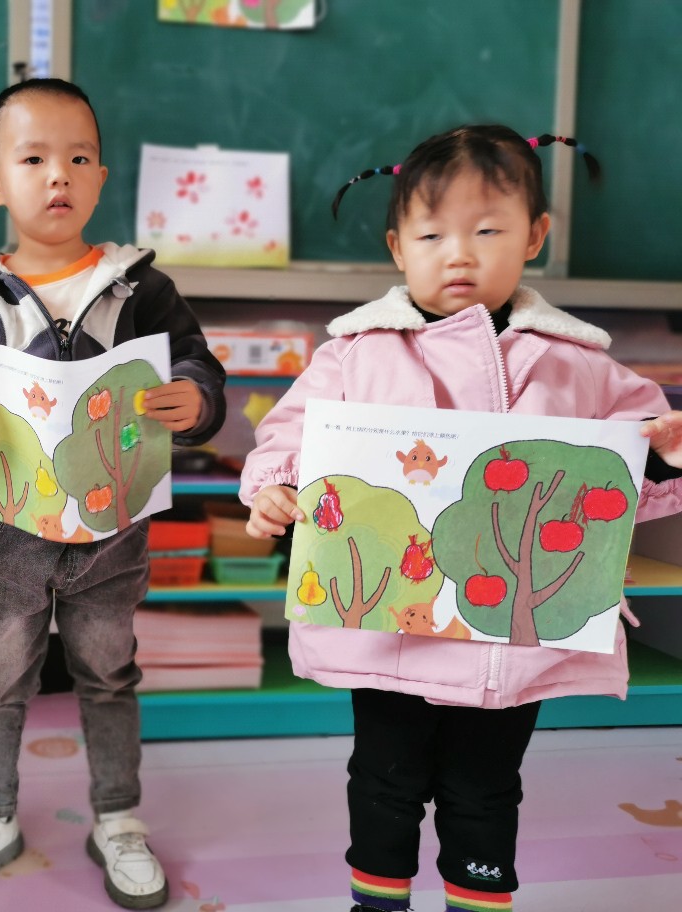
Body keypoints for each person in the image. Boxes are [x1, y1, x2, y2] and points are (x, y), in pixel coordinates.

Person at [240, 123, 682, 912]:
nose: (459, 255)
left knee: (485, 789)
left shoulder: (580, 364)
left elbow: (628, 476)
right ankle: (377, 901)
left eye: (487, 231)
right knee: (384, 779)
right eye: (431, 235)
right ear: (397, 248)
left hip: (508, 644)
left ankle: (477, 899)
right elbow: (287, 437)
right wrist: (274, 487)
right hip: (388, 629)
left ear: (536, 236)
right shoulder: (354, 352)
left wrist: (663, 456)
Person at [0, 78, 226, 909]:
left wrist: (194, 398)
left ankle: (118, 818)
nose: (58, 176)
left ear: (101, 178)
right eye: (34, 158)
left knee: (109, 674)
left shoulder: (140, 288)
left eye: (79, 159)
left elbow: (197, 364)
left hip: (114, 532)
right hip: (5, 536)